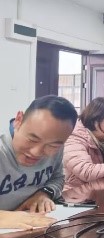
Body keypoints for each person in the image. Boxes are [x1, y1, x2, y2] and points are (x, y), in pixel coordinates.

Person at [0, 95, 77, 230]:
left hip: (31, 231)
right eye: (32, 139)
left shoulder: (57, 147)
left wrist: (44, 193)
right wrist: (4, 217)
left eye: (52, 146)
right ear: (19, 120)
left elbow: (57, 178)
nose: (36, 152)